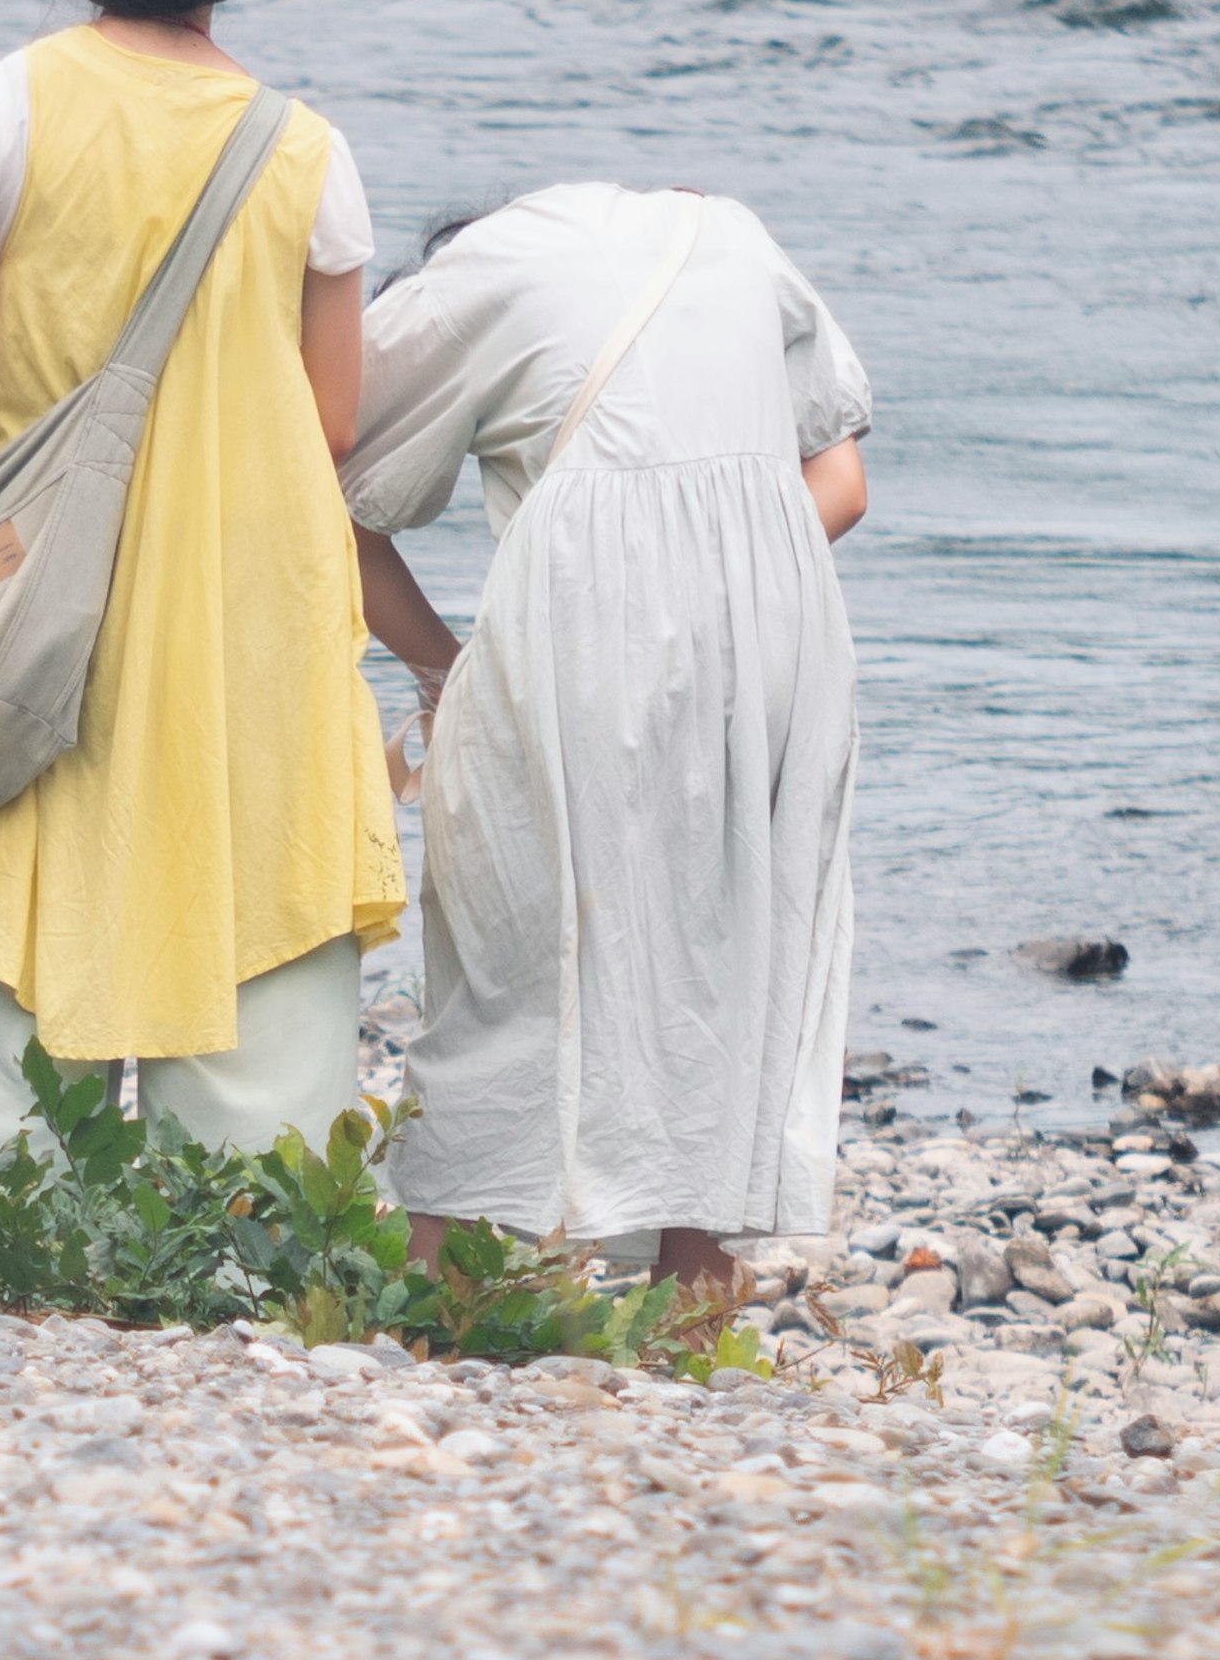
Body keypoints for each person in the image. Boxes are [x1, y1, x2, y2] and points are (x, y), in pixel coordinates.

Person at [0, 0, 399, 1151]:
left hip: (56, 577)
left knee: (33, 859)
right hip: (249, 590)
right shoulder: (306, 150)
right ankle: (247, 1217)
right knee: (251, 869)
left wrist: (22, 324)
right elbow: (329, 420)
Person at [340, 184, 872, 1280]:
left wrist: (446, 667)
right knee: (727, 957)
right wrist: (709, 586)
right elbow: (842, 483)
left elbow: (317, 478)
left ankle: (444, 1300)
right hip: (782, 641)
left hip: (587, 645)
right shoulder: (732, 230)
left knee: (514, 959)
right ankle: (690, 1324)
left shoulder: (468, 282)